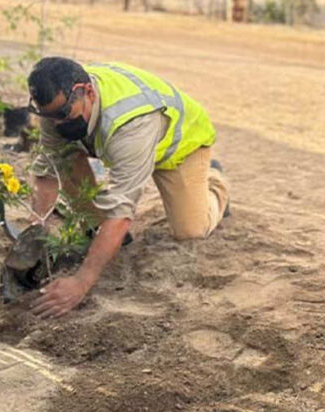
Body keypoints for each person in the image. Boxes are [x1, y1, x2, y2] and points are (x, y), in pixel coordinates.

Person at [27, 57, 229, 318]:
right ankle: (97, 228)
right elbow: (49, 170)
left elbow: (121, 214)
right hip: (120, 146)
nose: (56, 123)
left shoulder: (130, 123)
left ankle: (214, 183)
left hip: (179, 148)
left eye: (63, 114)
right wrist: (36, 228)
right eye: (49, 116)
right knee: (65, 158)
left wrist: (81, 282)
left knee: (191, 230)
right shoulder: (58, 104)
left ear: (87, 91)